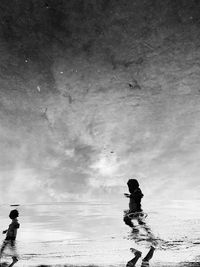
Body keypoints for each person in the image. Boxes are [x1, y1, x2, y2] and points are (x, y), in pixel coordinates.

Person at [124, 179, 156, 267]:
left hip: (136, 211)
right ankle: (152, 246)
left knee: (130, 220)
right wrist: (130, 196)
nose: (129, 188)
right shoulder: (136, 191)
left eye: (129, 187)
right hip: (135, 211)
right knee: (139, 223)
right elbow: (139, 195)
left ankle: (141, 252)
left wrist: (132, 196)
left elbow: (140, 195)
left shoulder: (137, 191)